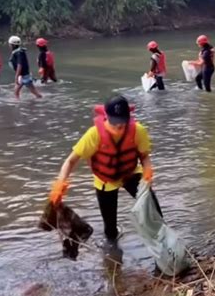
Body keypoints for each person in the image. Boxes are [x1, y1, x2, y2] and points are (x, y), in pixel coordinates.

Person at [49, 96, 159, 256]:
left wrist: (148, 176)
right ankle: (113, 258)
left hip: (130, 174)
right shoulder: (94, 135)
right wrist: (60, 186)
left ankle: (162, 249)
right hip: (105, 180)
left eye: (123, 121)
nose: (120, 126)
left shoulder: (138, 130)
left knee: (154, 211)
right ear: (106, 117)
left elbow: (144, 156)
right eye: (115, 122)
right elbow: (70, 161)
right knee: (110, 229)